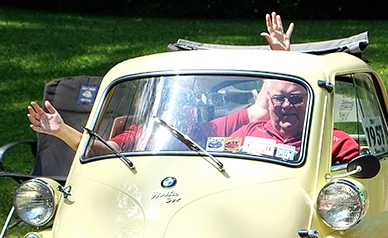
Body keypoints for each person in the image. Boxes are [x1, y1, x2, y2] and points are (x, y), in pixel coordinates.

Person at [27, 13, 358, 164]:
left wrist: (282, 60)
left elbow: (264, 106)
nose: (182, 111)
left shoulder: (207, 130)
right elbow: (101, 150)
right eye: (176, 103)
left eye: (186, 103)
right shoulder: (146, 134)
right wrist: (61, 131)